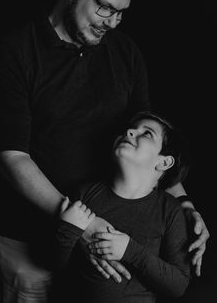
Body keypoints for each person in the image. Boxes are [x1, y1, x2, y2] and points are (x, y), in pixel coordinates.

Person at [0, 0, 209, 302]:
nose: (113, 22)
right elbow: (12, 156)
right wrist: (83, 226)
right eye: (105, 7)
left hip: (109, 239)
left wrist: (182, 204)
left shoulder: (126, 53)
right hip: (32, 238)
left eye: (122, 12)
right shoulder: (15, 53)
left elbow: (154, 139)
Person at [55, 111, 191, 302]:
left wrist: (130, 251)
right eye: (130, 129)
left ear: (164, 161)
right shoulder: (83, 194)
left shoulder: (170, 210)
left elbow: (178, 285)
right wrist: (67, 230)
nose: (129, 132)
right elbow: (51, 265)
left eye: (147, 133)